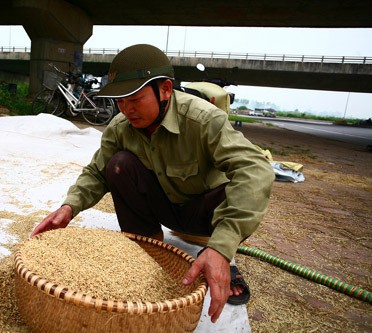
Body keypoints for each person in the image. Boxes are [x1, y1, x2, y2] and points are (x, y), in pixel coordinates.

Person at [31, 44, 274, 323]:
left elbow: (257, 170)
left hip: (205, 216)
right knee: (118, 164)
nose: (127, 109)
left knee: (243, 183)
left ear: (166, 90)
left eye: (135, 99)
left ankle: (219, 255)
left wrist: (223, 245)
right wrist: (69, 207)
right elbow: (97, 172)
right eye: (121, 101)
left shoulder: (204, 120)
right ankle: (146, 252)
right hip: (165, 208)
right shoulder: (121, 127)